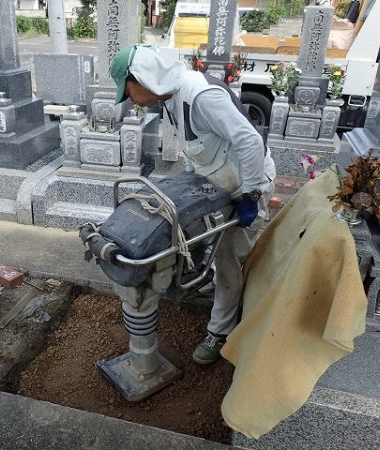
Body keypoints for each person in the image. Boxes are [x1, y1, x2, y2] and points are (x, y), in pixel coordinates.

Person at [110, 45, 276, 365]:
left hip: (244, 184)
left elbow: (250, 141)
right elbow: (194, 145)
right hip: (216, 182)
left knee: (230, 260)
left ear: (142, 79)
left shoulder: (201, 96)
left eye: (129, 93)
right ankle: (210, 283)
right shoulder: (169, 97)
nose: (131, 101)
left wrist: (252, 196)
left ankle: (220, 331)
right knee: (206, 242)